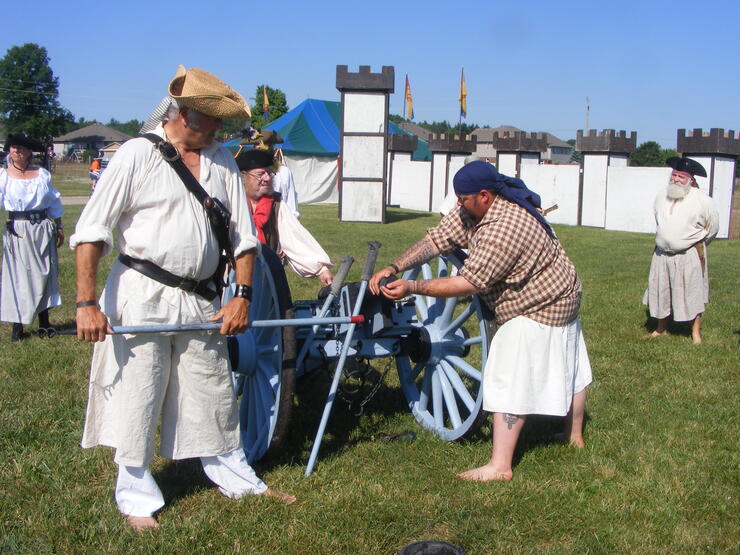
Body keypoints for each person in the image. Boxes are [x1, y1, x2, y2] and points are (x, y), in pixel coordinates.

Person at [70, 65, 295, 531]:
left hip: (201, 300)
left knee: (211, 390)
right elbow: (91, 231)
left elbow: (244, 239)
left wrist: (243, 296)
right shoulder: (137, 155)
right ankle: (136, 496)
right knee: (139, 393)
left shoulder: (221, 163)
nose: (219, 129)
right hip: (142, 295)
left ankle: (236, 477)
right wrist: (86, 303)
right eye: (212, 119)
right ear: (185, 113)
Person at [370, 161, 592, 482]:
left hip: (541, 304)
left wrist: (413, 286)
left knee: (508, 377)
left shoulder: (505, 227)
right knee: (571, 363)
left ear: (485, 195)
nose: (458, 204)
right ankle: (573, 436)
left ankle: (500, 467)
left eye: (463, 199)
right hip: (566, 291)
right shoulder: (477, 208)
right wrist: (394, 266)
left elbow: (469, 283)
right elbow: (436, 240)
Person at [642, 156, 719, 344]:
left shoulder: (703, 200)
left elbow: (712, 229)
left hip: (689, 254)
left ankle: (695, 333)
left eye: (681, 176)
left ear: (690, 180)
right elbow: (658, 220)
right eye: (674, 175)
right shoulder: (662, 195)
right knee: (661, 290)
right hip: (661, 254)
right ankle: (661, 328)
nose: (675, 179)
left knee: (693, 292)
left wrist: (689, 243)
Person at [236, 147, 333, 285]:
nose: (267, 178)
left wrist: (321, 269)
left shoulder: (276, 205)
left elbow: (294, 237)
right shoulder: (231, 203)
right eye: (260, 174)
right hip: (232, 276)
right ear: (243, 176)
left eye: (270, 173)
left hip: (265, 276)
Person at [0, 132, 64, 340]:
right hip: (18, 229)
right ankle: (17, 327)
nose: (16, 150)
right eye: (13, 147)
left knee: (44, 273)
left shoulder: (42, 175)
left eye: (20, 147)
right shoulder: (4, 176)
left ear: (29, 151)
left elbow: (53, 200)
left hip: (42, 228)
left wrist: (59, 225)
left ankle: (44, 323)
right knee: (19, 277)